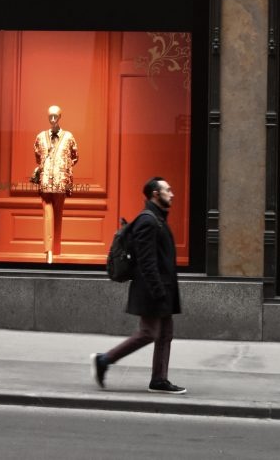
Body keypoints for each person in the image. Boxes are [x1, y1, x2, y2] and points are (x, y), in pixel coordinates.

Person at [90, 177, 185, 394]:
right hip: (152, 290)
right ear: (155, 194)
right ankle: (104, 360)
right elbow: (146, 262)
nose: (172, 194)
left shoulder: (157, 219)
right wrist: (158, 291)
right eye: (167, 190)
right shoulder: (148, 221)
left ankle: (159, 379)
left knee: (165, 334)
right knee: (148, 333)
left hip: (162, 288)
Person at [33, 105, 79, 264]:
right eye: (50, 116)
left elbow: (75, 157)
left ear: (60, 117)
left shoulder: (69, 137)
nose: (52, 119)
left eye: (55, 116)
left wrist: (62, 168)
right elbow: (38, 157)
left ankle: (56, 249)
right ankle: (49, 252)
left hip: (61, 181)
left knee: (58, 213)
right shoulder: (40, 137)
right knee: (48, 216)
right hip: (45, 182)